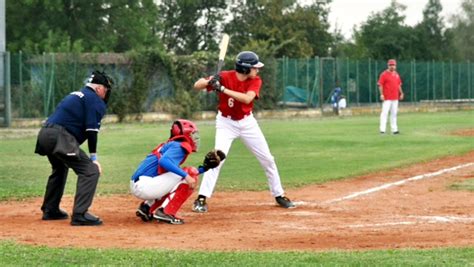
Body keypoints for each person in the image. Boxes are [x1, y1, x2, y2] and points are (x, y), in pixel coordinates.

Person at [191, 51, 295, 213]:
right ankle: (201, 198)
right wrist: (210, 82)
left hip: (247, 123)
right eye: (254, 67)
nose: (257, 70)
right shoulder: (224, 76)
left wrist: (223, 89)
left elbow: (247, 99)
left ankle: (279, 195)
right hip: (226, 123)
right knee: (217, 159)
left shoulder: (255, 81)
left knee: (267, 158)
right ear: (245, 68)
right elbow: (197, 85)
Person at [34, 70, 113, 226]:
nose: (106, 92)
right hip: (59, 136)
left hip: (45, 133)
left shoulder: (77, 94)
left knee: (60, 168)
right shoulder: (95, 100)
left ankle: (51, 210)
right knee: (90, 171)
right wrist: (94, 158)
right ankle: (80, 214)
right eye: (105, 88)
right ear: (98, 88)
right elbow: (91, 131)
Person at [131, 119, 225, 225]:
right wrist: (187, 175)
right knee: (189, 174)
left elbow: (174, 175)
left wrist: (204, 168)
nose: (195, 138)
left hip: (142, 184)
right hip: (145, 186)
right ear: (185, 134)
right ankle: (166, 212)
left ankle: (147, 207)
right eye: (192, 134)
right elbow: (164, 161)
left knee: (185, 175)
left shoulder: (173, 144)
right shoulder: (181, 145)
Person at [378, 59, 404, 134]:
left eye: (393, 65)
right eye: (390, 65)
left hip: (395, 97)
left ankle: (394, 129)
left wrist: (401, 93)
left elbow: (398, 84)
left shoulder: (396, 74)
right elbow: (380, 85)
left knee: (394, 113)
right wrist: (381, 94)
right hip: (387, 97)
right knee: (384, 113)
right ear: (388, 65)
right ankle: (382, 130)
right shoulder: (384, 74)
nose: (392, 66)